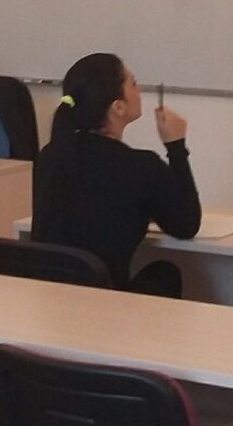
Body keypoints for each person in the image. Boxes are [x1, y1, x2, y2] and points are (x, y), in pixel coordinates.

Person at [32, 53, 201, 298]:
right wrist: (176, 147)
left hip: (49, 304)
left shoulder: (50, 156)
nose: (139, 89)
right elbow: (187, 225)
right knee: (166, 273)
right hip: (107, 308)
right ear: (118, 107)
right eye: (133, 83)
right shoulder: (141, 166)